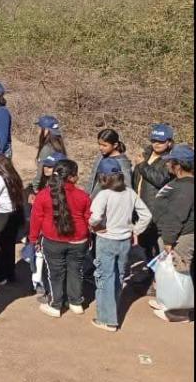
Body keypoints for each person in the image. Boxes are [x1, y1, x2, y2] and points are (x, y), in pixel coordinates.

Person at [88, 161, 153, 331]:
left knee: (104, 278)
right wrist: (135, 230)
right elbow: (146, 215)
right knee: (118, 276)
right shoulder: (130, 193)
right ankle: (112, 311)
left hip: (106, 240)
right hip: (124, 241)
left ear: (102, 176)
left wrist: (94, 226)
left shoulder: (103, 195)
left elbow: (94, 217)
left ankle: (107, 319)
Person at [28, 159, 92, 318]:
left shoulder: (43, 195)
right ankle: (76, 302)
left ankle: (56, 304)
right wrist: (88, 236)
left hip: (53, 240)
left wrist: (33, 239)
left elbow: (36, 219)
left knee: (55, 273)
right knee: (76, 270)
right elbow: (88, 218)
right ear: (73, 177)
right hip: (79, 240)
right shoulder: (83, 196)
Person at [151, 144, 194, 323]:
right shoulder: (179, 183)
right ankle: (167, 301)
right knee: (169, 272)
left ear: (178, 165)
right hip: (173, 234)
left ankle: (179, 313)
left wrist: (168, 240)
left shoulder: (186, 188)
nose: (167, 165)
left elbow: (176, 216)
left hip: (181, 236)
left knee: (179, 273)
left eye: (170, 162)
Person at [132, 124, 176, 259]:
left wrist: (142, 165)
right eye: (154, 140)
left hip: (155, 208)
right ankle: (150, 275)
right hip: (139, 204)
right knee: (144, 243)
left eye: (161, 141)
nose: (156, 144)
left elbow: (160, 179)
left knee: (155, 245)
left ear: (169, 142)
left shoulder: (169, 160)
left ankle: (156, 277)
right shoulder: (146, 154)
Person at [0, 153, 25, 285]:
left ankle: (0, 274)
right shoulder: (13, 176)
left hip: (1, 215)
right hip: (13, 213)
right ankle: (10, 273)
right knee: (9, 246)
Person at [87, 129, 131, 196]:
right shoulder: (101, 156)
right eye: (99, 144)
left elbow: (127, 188)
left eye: (104, 145)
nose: (100, 148)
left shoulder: (122, 163)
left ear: (115, 145)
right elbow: (93, 177)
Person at [34, 115, 67, 189]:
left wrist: (34, 188)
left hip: (47, 187)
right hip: (57, 186)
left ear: (46, 130)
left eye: (40, 128)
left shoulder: (46, 149)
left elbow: (40, 175)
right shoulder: (59, 144)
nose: (37, 131)